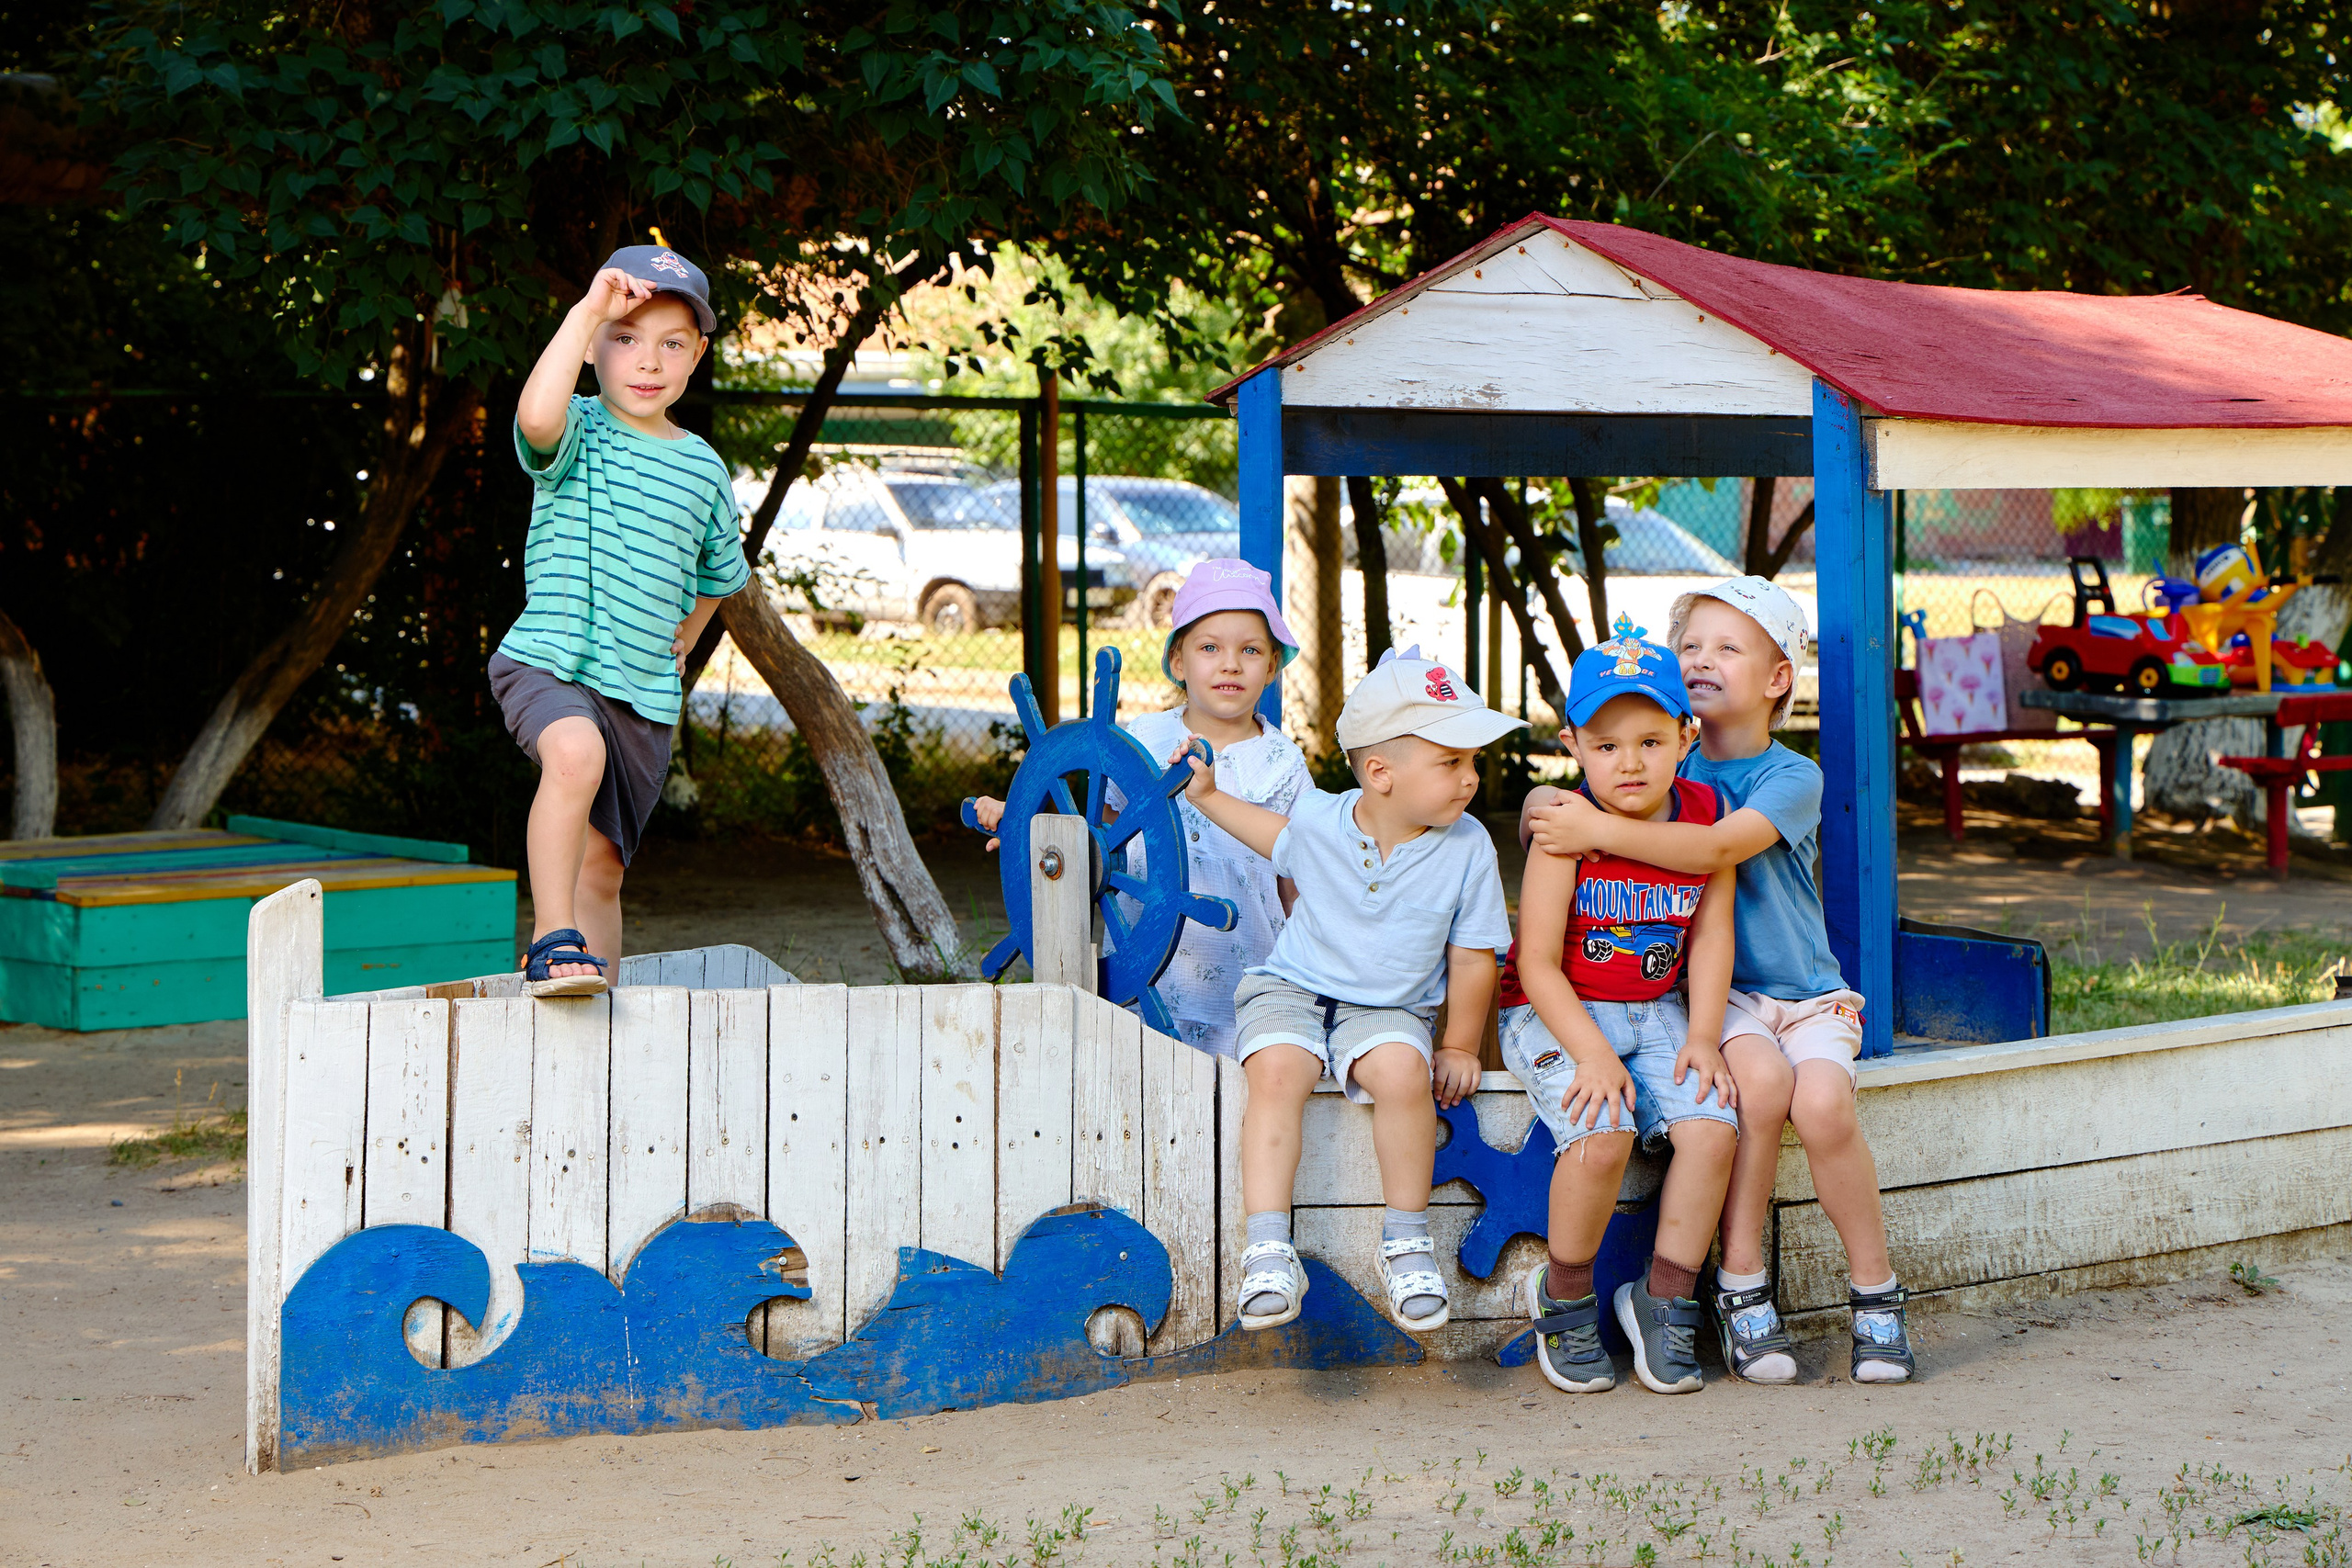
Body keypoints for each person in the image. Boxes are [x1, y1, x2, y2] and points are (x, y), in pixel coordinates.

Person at [1522, 583, 1915, 1384]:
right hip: (1722, 996)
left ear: (1776, 678)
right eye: (1691, 645)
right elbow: (1598, 765)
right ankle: (1741, 1287)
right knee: (1756, 1091)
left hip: (1800, 990)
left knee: (1821, 1102)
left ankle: (1875, 1289)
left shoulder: (1789, 776)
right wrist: (1545, 798)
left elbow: (1710, 853)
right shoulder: (1662, 760)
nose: (1701, 658)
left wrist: (1587, 823)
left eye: (1726, 648)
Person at [1181, 648, 1521, 1334]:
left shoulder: (1468, 847)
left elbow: (1475, 956)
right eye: (1452, 761)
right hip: (1294, 987)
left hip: (1389, 1004)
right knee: (1278, 1070)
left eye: (1473, 762)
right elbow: (1273, 835)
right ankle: (1269, 1246)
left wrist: (1457, 1041)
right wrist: (1210, 796)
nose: (1471, 779)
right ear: (1380, 773)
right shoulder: (1322, 819)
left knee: (1404, 1073)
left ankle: (1406, 1241)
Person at [491, 246, 749, 997]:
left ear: (697, 356)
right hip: (552, 660)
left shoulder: (702, 467)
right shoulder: (578, 428)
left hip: (640, 695)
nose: (648, 361)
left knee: (602, 871)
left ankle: (586, 999)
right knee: (573, 755)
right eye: (625, 337)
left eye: (671, 344)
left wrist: (689, 636)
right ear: (596, 346)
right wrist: (584, 312)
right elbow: (533, 417)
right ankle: (548, 937)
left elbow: (722, 572)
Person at [1503, 624, 1740, 1395]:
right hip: (1560, 1010)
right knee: (1601, 1135)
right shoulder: (1564, 829)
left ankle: (1664, 1297)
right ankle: (1564, 1293)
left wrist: (1704, 1034)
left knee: (1711, 1127)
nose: (1629, 762)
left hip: (1657, 1007)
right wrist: (1594, 1054)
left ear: (1686, 734)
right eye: (1606, 745)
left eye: (1648, 740)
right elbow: (1536, 963)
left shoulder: (1707, 814)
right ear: (1573, 743)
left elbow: (1709, 935)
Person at [970, 559, 1312, 1057]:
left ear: (1273, 667)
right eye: (1210, 647)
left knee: (1237, 1106)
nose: (1230, 664)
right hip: (1148, 970)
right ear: (1179, 662)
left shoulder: (1282, 761)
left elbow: (1297, 874)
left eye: (1251, 650)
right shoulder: (1146, 738)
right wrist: (1031, 827)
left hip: (1249, 977)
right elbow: (1102, 830)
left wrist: (1315, 967)